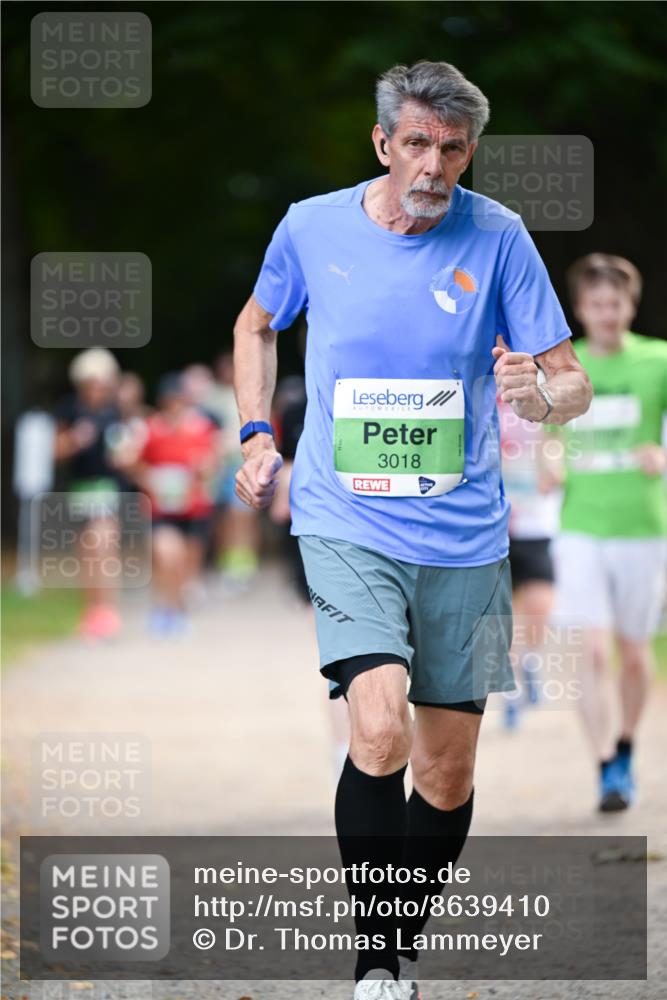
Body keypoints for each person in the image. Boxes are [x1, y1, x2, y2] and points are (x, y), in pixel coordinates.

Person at [233, 61, 591, 999]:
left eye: (454, 148)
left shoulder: (500, 235)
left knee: (444, 768)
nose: (435, 166)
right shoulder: (312, 226)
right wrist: (256, 430)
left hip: (468, 538)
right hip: (344, 519)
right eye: (418, 145)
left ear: (470, 151)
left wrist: (543, 399)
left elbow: (570, 379)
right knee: (380, 729)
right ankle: (377, 958)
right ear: (383, 144)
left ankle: (404, 930)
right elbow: (256, 325)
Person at [551, 253, 667, 812]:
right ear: (581, 309)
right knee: (589, 651)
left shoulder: (658, 360)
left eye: (615, 304)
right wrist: (547, 459)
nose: (606, 314)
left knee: (634, 651)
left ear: (631, 305)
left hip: (642, 525)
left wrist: (661, 453)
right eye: (596, 305)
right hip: (580, 524)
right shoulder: (563, 363)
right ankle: (602, 764)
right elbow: (540, 432)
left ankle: (625, 746)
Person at [131, 373, 219, 636]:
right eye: (170, 402)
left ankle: (176, 609)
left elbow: (211, 462)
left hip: (193, 508)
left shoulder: (201, 427)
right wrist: (147, 478)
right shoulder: (150, 429)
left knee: (185, 564)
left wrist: (205, 468)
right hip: (161, 508)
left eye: (178, 401)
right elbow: (135, 463)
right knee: (167, 554)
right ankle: (163, 607)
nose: (174, 407)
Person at [497, 397, 561, 729]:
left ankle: (531, 660)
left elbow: (558, 441)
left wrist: (554, 467)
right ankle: (511, 693)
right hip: (494, 526)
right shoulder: (474, 391)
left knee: (539, 604)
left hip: (535, 521)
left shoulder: (542, 391)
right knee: (502, 614)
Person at [53, 348, 124, 640]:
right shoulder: (69, 410)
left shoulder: (114, 412)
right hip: (81, 490)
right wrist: (73, 440)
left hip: (108, 489)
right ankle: (92, 610)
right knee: (88, 554)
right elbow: (56, 451)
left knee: (104, 546)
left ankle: (108, 610)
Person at [205, 352, 261, 587]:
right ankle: (228, 561)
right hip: (221, 466)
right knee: (224, 517)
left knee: (244, 515)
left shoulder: (249, 395)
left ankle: (245, 562)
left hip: (243, 462)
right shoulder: (212, 398)